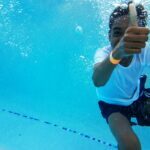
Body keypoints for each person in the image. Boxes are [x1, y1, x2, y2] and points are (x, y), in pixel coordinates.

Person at [92, 2, 150, 150]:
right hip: (112, 105)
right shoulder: (103, 53)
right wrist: (118, 52)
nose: (124, 40)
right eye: (118, 33)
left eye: (130, 33)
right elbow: (98, 80)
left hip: (138, 96)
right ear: (109, 35)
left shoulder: (145, 50)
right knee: (131, 146)